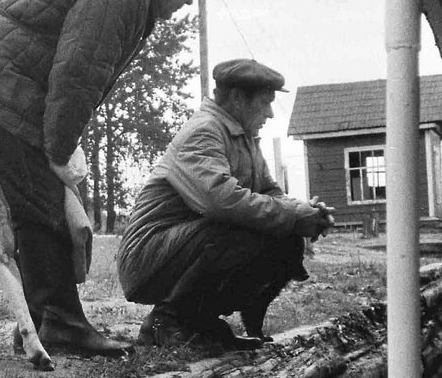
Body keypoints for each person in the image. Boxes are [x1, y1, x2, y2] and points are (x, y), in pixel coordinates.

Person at [0, 0, 218, 357]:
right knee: (43, 201)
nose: (185, 4)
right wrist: (60, 151)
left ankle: (41, 322)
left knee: (24, 203)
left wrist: (59, 148)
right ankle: (59, 324)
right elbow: (77, 77)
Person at [116, 58, 334, 349]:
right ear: (237, 99)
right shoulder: (204, 131)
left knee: (286, 236)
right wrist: (292, 214)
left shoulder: (244, 138)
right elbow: (221, 201)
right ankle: (164, 323)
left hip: (181, 250)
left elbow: (270, 193)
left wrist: (307, 213)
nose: (270, 113)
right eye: (264, 103)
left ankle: (201, 322)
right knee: (236, 228)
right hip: (148, 258)